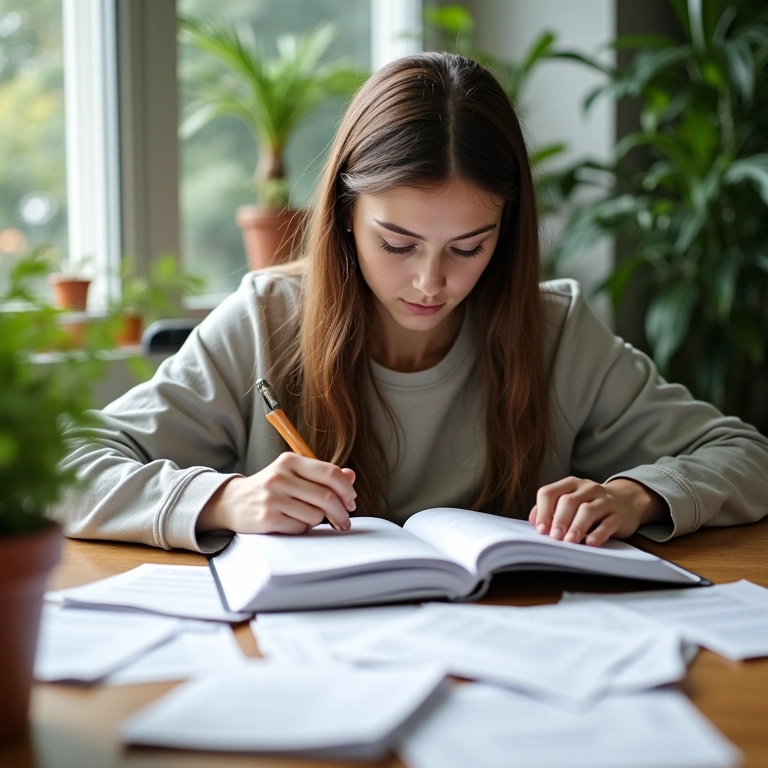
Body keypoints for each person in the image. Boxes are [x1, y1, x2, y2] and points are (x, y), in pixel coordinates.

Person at [53, 52, 768, 555]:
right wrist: (222, 501)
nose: (432, 283)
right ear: (343, 217)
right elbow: (68, 465)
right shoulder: (268, 318)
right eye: (396, 244)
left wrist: (639, 496)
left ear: (507, 232)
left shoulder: (557, 333)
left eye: (469, 247)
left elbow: (745, 454)